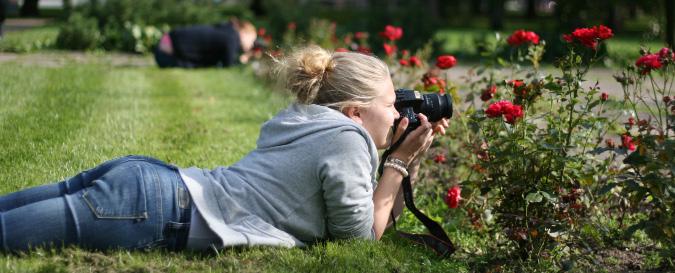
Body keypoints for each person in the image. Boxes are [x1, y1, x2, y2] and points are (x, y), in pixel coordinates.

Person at [0, 46, 449, 252]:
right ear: (353, 111)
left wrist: (398, 162)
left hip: (148, 186)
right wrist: (396, 165)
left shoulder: (307, 119)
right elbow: (358, 240)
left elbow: (365, 224)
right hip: (156, 208)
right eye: (391, 105)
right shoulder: (346, 139)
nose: (398, 115)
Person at [153, 18, 257, 68]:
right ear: (243, 33)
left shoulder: (227, 32)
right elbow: (228, 63)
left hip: (168, 43)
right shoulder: (232, 38)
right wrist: (242, 60)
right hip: (169, 50)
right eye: (252, 40)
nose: (252, 44)